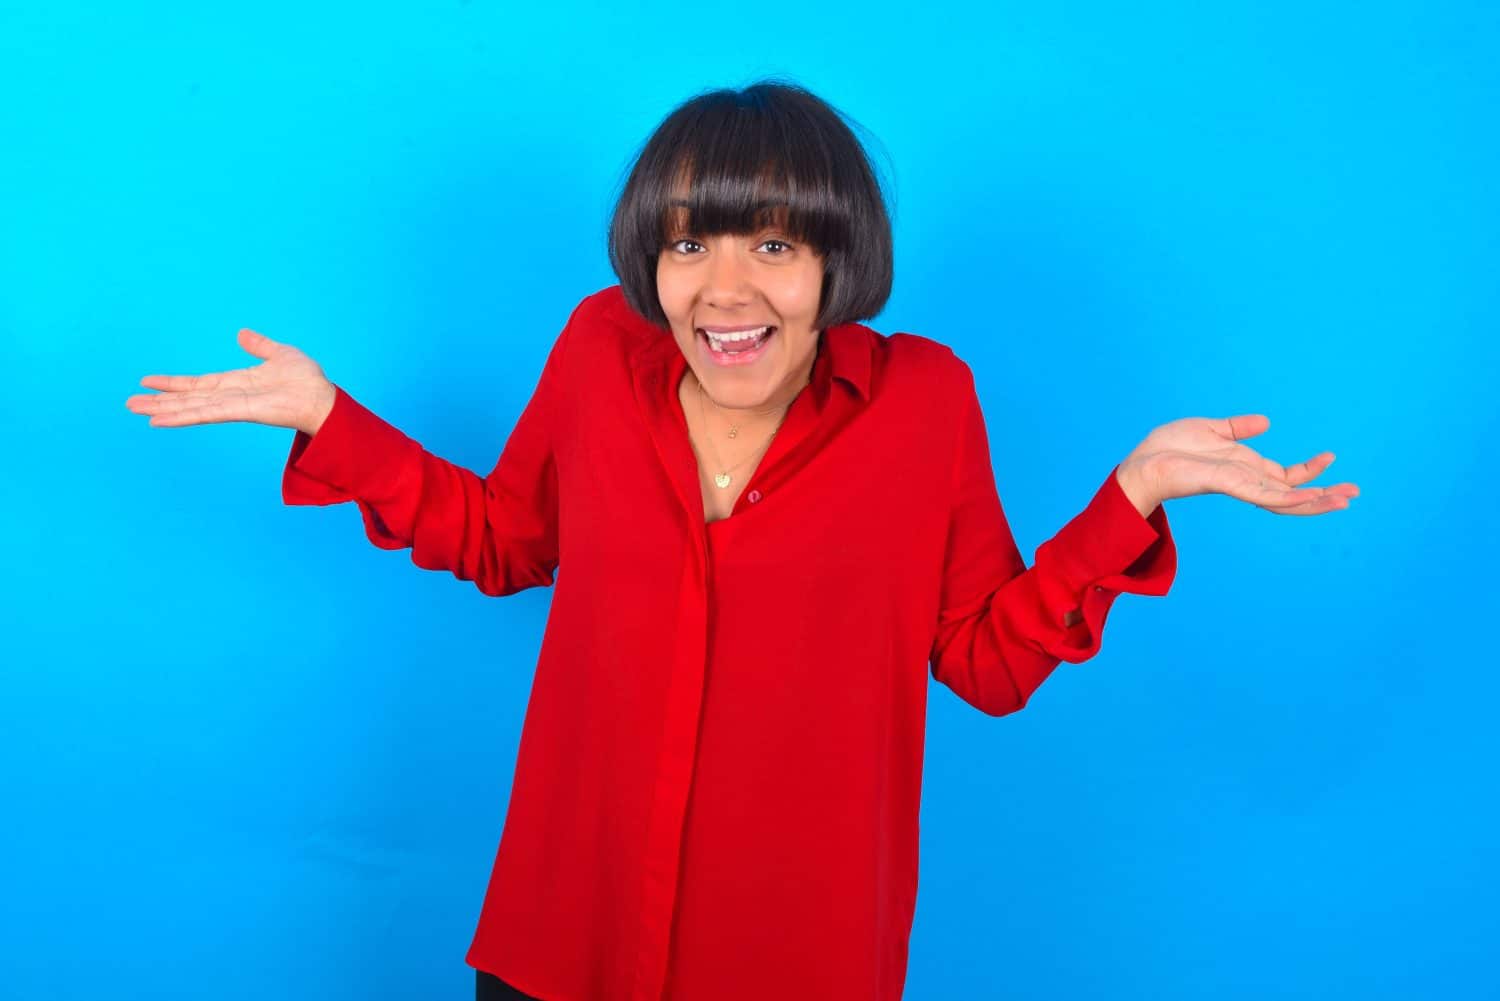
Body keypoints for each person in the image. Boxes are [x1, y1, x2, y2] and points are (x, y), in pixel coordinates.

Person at [124, 79, 1359, 1001]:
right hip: (569, 929)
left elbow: (983, 658)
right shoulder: (598, 356)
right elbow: (507, 537)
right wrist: (332, 422)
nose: (724, 287)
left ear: (836, 257)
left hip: (792, 956)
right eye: (689, 240)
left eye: (773, 244)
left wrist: (1129, 497)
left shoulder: (926, 400)